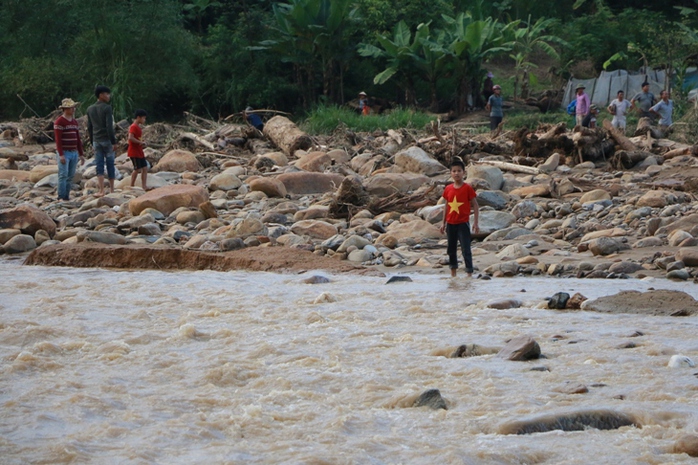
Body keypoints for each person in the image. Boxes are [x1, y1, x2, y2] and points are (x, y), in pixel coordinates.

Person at [440, 159, 479, 278]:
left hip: (463, 223)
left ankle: (469, 273)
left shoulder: (467, 188)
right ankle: (453, 274)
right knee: (451, 249)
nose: (456, 173)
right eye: (454, 171)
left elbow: (475, 205)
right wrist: (443, 223)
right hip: (451, 223)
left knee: (465, 248)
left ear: (464, 172)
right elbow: (446, 205)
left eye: (459, 171)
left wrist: (476, 223)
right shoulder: (448, 189)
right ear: (450, 173)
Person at [87, 85, 117, 197]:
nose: (109, 96)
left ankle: (101, 190)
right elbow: (109, 126)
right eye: (106, 94)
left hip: (96, 140)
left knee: (99, 165)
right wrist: (113, 141)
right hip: (106, 139)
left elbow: (89, 127)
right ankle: (112, 189)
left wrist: (91, 141)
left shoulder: (90, 109)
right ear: (101, 95)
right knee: (110, 163)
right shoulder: (107, 108)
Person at [53, 98, 85, 201]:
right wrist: (61, 154)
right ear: (65, 109)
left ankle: (66, 196)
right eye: (71, 108)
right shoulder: (59, 122)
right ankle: (61, 196)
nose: (73, 109)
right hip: (65, 152)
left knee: (70, 175)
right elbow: (58, 140)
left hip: (74, 152)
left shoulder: (74, 122)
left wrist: (81, 153)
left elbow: (78, 139)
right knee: (63, 175)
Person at [128, 109, 149, 191]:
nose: (144, 120)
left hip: (139, 151)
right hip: (134, 151)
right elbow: (130, 138)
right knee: (137, 169)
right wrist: (140, 142)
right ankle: (131, 185)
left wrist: (141, 143)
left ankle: (144, 185)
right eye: (143, 118)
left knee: (144, 167)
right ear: (138, 117)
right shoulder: (133, 127)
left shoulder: (138, 127)